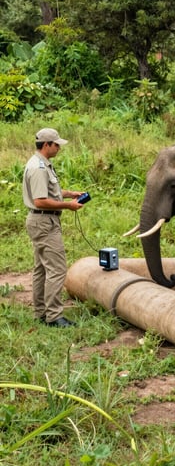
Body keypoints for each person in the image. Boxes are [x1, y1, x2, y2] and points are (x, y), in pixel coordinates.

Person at [22, 128, 85, 328]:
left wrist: (69, 193)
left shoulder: (39, 163)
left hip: (40, 221)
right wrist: (68, 206)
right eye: (56, 144)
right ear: (46, 145)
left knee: (41, 268)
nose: (59, 148)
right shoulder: (39, 168)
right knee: (57, 269)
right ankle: (54, 316)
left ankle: (41, 312)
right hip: (44, 221)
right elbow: (40, 201)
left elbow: (49, 191)